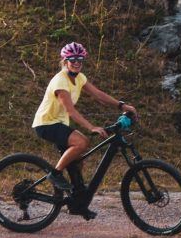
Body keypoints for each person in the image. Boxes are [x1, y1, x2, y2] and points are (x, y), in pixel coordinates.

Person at [32, 42, 137, 219]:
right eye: (72, 59)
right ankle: (55, 174)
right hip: (46, 124)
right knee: (81, 142)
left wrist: (121, 105)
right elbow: (70, 110)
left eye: (80, 59)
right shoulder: (60, 81)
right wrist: (91, 127)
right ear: (65, 61)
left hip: (59, 123)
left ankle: (78, 204)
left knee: (77, 162)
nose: (76, 62)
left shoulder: (79, 78)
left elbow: (98, 95)